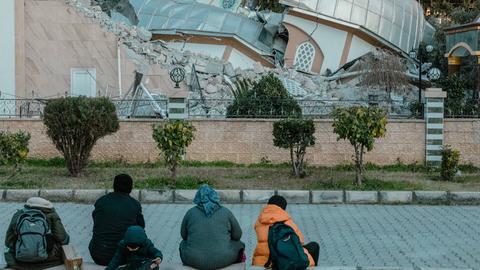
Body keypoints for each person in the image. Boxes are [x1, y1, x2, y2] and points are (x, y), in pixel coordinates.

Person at [179, 185, 245, 270]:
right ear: (215, 196)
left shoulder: (190, 213)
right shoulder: (226, 212)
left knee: (182, 244)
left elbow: (184, 236)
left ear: (198, 197)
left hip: (194, 260)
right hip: (223, 259)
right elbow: (237, 236)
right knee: (239, 244)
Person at [89, 174, 145, 266]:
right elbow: (141, 228)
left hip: (98, 255)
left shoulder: (101, 201)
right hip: (124, 258)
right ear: (130, 188)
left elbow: (96, 222)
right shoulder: (134, 205)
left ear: (114, 186)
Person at [252, 195, 319, 267]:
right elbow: (300, 241)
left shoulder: (259, 221)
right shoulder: (286, 221)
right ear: (283, 208)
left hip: (262, 261)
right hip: (282, 262)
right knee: (314, 246)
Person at [4, 197, 70, 270]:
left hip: (19, 261)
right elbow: (62, 239)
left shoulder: (19, 214)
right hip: (47, 260)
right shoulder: (52, 214)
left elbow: (8, 242)